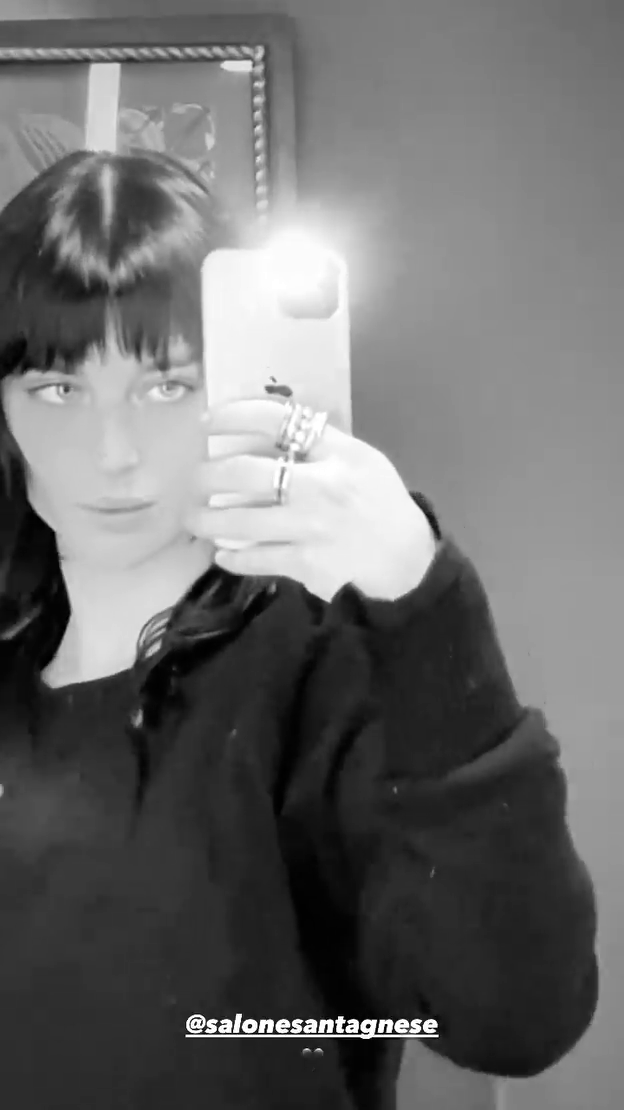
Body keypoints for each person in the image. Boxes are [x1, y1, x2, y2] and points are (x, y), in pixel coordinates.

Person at [0, 150, 597, 1110]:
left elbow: (514, 1018)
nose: (113, 455)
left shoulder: (321, 663)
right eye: (59, 390)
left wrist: (424, 599)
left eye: (165, 387)